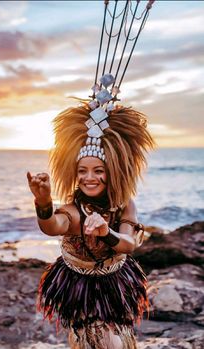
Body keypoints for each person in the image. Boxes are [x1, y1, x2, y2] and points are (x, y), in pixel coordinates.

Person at [27, 101, 154, 348]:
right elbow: (52, 226)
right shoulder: (74, 211)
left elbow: (127, 245)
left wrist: (106, 232)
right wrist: (43, 202)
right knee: (97, 341)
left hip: (116, 282)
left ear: (113, 172)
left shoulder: (124, 204)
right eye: (82, 171)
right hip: (80, 287)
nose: (89, 178)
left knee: (120, 340)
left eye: (98, 171)